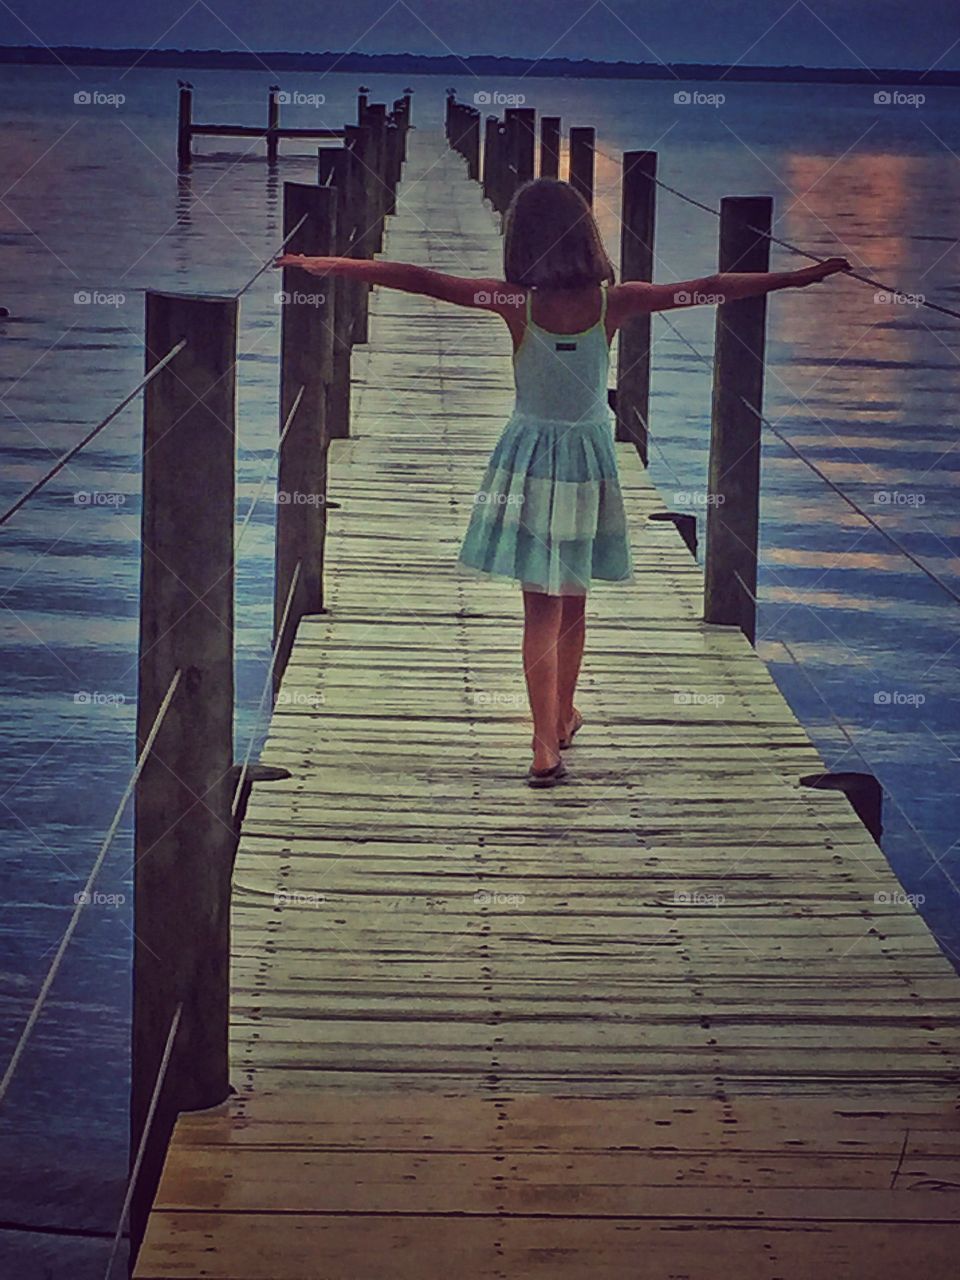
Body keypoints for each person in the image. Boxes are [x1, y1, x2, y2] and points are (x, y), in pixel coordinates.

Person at [276, 177, 849, 788]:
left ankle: (546, 739)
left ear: (521, 242)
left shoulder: (513, 303)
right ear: (585, 237)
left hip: (527, 462)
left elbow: (422, 278)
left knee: (540, 609)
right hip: (588, 464)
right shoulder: (617, 302)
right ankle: (557, 722)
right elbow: (707, 289)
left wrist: (328, 264)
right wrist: (791, 279)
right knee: (574, 599)